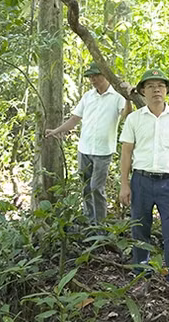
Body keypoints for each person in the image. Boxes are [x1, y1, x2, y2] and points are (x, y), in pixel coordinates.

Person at [119, 68, 169, 301]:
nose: (156, 90)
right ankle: (141, 277)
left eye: (160, 86)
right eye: (150, 86)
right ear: (142, 91)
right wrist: (124, 184)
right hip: (141, 180)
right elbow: (126, 152)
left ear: (167, 90)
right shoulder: (134, 118)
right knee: (140, 228)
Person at [45, 63, 133, 223]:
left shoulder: (117, 97)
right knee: (85, 187)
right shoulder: (88, 96)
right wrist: (56, 131)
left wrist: (128, 99)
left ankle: (100, 224)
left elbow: (127, 116)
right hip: (84, 149)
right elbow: (74, 119)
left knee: (96, 188)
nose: (93, 79)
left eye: (96, 76)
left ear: (105, 75)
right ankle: (89, 220)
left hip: (103, 151)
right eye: (90, 77)